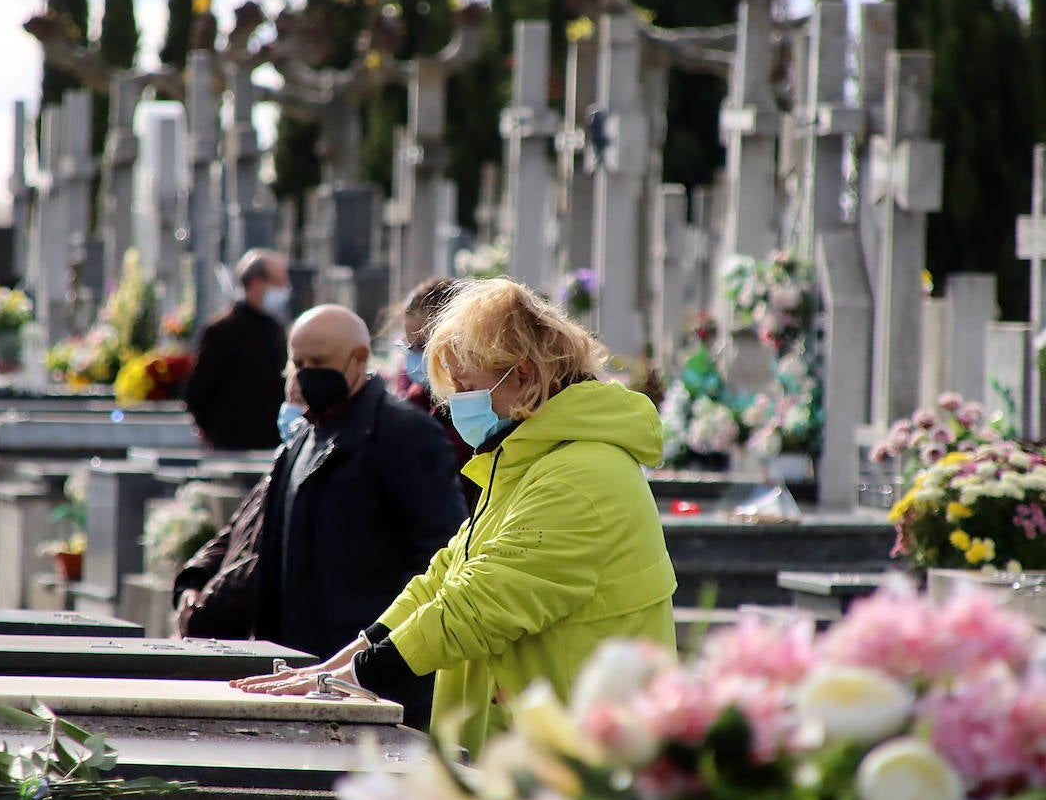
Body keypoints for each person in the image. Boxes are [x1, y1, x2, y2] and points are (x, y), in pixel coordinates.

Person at [235, 278, 676, 757]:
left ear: (524, 376)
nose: (460, 403)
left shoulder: (579, 474)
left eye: (468, 387)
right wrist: (347, 659)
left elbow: (480, 604)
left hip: (576, 757)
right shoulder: (530, 458)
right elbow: (445, 574)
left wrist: (356, 677)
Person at [249, 304, 467, 727]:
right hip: (299, 671)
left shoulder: (404, 435)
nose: (308, 373)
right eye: (300, 363)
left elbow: (438, 558)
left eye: (321, 363)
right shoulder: (299, 442)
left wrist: (379, 658)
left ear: (360, 359)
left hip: (370, 682)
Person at [172, 379, 306, 639]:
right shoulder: (280, 463)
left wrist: (200, 610)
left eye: (300, 401)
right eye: (290, 399)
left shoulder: (300, 472)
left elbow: (257, 563)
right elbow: (233, 532)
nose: (291, 410)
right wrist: (192, 580)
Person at [184, 249, 291, 450]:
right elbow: (198, 391)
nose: (285, 290)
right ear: (256, 282)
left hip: (271, 443)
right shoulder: (222, 330)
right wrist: (212, 431)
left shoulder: (275, 329)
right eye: (278, 283)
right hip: (231, 444)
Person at [389, 276, 477, 507]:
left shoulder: (480, 409)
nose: (414, 358)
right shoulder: (417, 401)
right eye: (408, 347)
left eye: (422, 346)